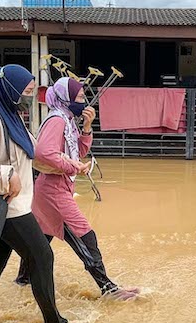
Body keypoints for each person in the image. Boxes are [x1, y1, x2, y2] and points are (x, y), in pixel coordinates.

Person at [0, 65, 68, 323]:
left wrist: (67, 167)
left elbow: (35, 154)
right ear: (7, 90)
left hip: (9, 207)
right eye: (26, 91)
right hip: (10, 208)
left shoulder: (12, 119)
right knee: (42, 257)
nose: (29, 97)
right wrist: (7, 174)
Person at [15, 76, 139, 301]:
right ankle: (108, 288)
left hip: (52, 189)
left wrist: (87, 128)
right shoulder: (57, 120)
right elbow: (44, 153)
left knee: (42, 237)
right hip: (53, 191)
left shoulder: (68, 119)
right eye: (80, 97)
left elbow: (77, 152)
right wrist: (74, 167)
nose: (84, 101)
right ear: (66, 98)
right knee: (84, 235)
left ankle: (22, 281)